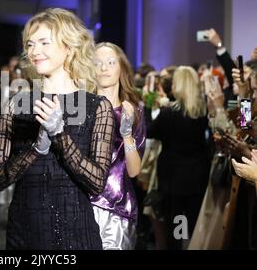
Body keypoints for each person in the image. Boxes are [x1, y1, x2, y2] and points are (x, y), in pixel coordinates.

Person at [0, 8, 115, 249]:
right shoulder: (17, 104)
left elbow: (97, 183)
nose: (34, 51)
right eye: (31, 44)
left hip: (76, 233)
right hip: (24, 233)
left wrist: (59, 134)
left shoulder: (97, 107)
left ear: (70, 47)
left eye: (44, 42)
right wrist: (35, 149)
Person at [147, 66, 211, 250]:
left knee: (176, 228)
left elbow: (150, 132)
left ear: (179, 85)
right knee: (193, 226)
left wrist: (155, 109)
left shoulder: (169, 113)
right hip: (197, 177)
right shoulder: (204, 111)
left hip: (173, 180)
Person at [90, 42, 146, 250]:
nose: (104, 68)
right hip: (81, 204)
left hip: (118, 209)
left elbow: (134, 171)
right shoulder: (81, 108)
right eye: (98, 63)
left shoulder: (133, 110)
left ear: (121, 67)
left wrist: (127, 134)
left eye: (111, 62)